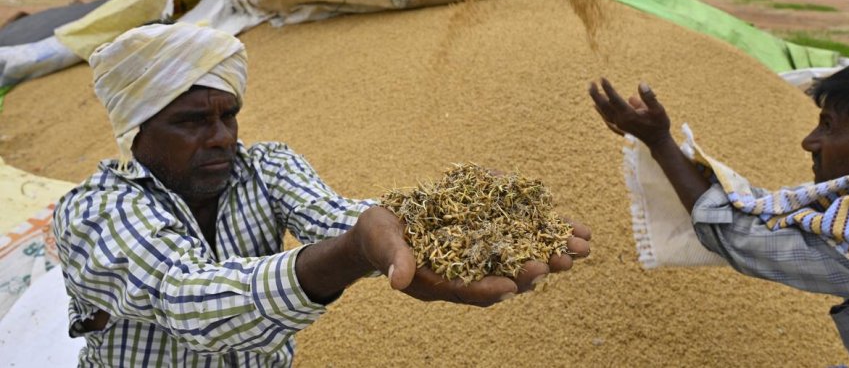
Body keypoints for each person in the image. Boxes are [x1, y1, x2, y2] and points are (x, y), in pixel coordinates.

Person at [53, 22, 592, 366]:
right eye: (192, 122)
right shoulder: (95, 212)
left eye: (229, 116)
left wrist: (427, 227)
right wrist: (356, 252)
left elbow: (335, 215)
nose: (221, 137)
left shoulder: (264, 166)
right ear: (137, 131)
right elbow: (186, 296)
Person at [588, 59, 849, 366]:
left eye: (828, 126)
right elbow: (773, 209)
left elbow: (738, 236)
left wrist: (659, 142)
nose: (809, 142)